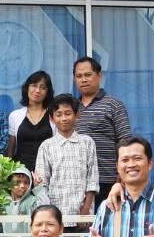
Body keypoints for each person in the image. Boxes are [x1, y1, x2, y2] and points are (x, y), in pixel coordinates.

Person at [33, 94, 99, 224]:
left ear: (76, 115)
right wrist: (48, 213)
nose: (63, 118)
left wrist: (85, 210)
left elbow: (92, 179)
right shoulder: (46, 146)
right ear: (52, 119)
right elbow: (42, 184)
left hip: (82, 214)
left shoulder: (87, 142)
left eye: (68, 113)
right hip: (55, 216)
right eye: (58, 114)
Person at [73, 56, 131, 203]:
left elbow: (125, 141)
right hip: (77, 182)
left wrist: (122, 173)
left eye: (88, 75)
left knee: (109, 223)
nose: (83, 79)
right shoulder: (71, 108)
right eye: (79, 76)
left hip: (107, 179)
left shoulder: (113, 104)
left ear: (99, 75)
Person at [8, 70, 54, 172]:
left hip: (47, 172)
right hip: (20, 174)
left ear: (47, 92)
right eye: (34, 85)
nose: (37, 90)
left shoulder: (53, 116)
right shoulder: (15, 116)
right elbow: (10, 150)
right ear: (27, 87)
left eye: (43, 87)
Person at [2, 165, 45, 237]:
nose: (22, 186)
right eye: (17, 182)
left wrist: (38, 188)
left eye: (26, 183)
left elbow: (45, 207)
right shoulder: (4, 201)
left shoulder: (31, 200)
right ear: (9, 185)